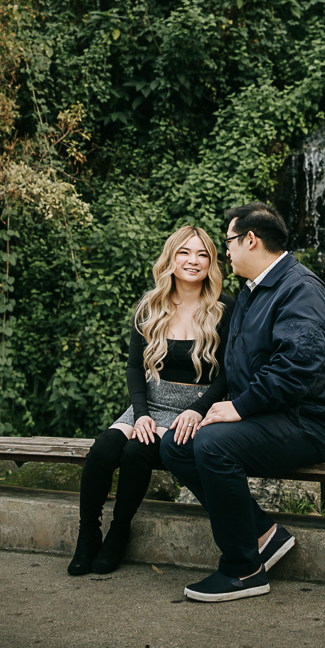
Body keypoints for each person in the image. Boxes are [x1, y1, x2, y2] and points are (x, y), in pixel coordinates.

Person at [160, 201, 325, 602]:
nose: (224, 252)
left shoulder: (301, 290)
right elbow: (233, 363)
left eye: (228, 241)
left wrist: (239, 407)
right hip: (267, 415)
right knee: (176, 444)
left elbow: (297, 368)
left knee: (212, 444)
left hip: (306, 422)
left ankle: (244, 569)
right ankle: (263, 533)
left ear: (250, 239)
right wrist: (203, 408)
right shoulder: (252, 292)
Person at [68, 225, 234, 576]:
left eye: (202, 254)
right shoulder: (151, 305)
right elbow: (133, 367)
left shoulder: (225, 309)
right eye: (184, 252)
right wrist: (140, 414)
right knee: (103, 449)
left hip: (192, 411)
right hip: (149, 404)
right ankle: (88, 534)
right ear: (171, 258)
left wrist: (197, 410)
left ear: (211, 262)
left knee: (136, 453)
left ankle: (119, 531)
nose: (193, 260)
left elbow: (229, 373)